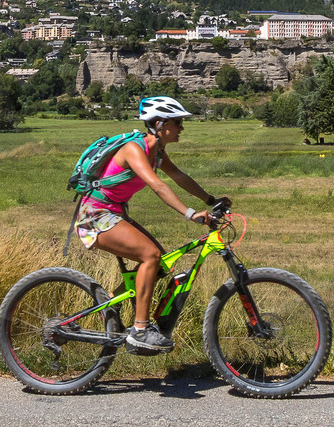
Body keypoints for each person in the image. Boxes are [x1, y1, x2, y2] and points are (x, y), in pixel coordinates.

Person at [74, 96, 223, 355]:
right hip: (95, 216)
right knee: (150, 255)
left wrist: (211, 200)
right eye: (177, 122)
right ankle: (140, 330)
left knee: (159, 264)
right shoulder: (134, 148)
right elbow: (157, 185)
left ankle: (112, 306)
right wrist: (190, 214)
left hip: (113, 213)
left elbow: (179, 177)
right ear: (159, 124)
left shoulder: (158, 153)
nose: (181, 127)